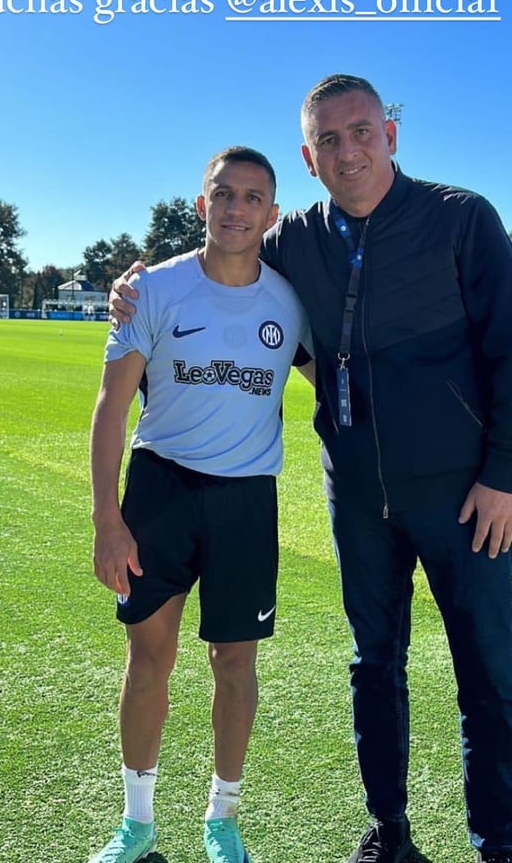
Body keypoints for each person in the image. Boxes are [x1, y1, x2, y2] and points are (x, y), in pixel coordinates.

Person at [110, 76, 512, 863]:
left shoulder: (461, 218)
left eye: (362, 132)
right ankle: (390, 834)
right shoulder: (293, 240)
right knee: (374, 666)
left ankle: (498, 850)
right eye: (329, 141)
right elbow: (223, 256)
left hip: (464, 496)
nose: (349, 152)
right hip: (358, 497)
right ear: (310, 159)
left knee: (486, 671)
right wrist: (134, 286)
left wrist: (505, 472)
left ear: (391, 135)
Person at [90, 145, 311, 863]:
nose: (236, 209)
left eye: (252, 198)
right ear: (201, 203)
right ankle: (137, 825)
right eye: (223, 194)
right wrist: (106, 518)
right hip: (161, 492)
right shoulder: (151, 290)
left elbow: (344, 384)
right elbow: (112, 407)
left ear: (271, 214)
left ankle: (223, 818)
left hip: (246, 500)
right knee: (148, 657)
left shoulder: (290, 303)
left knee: (235, 664)